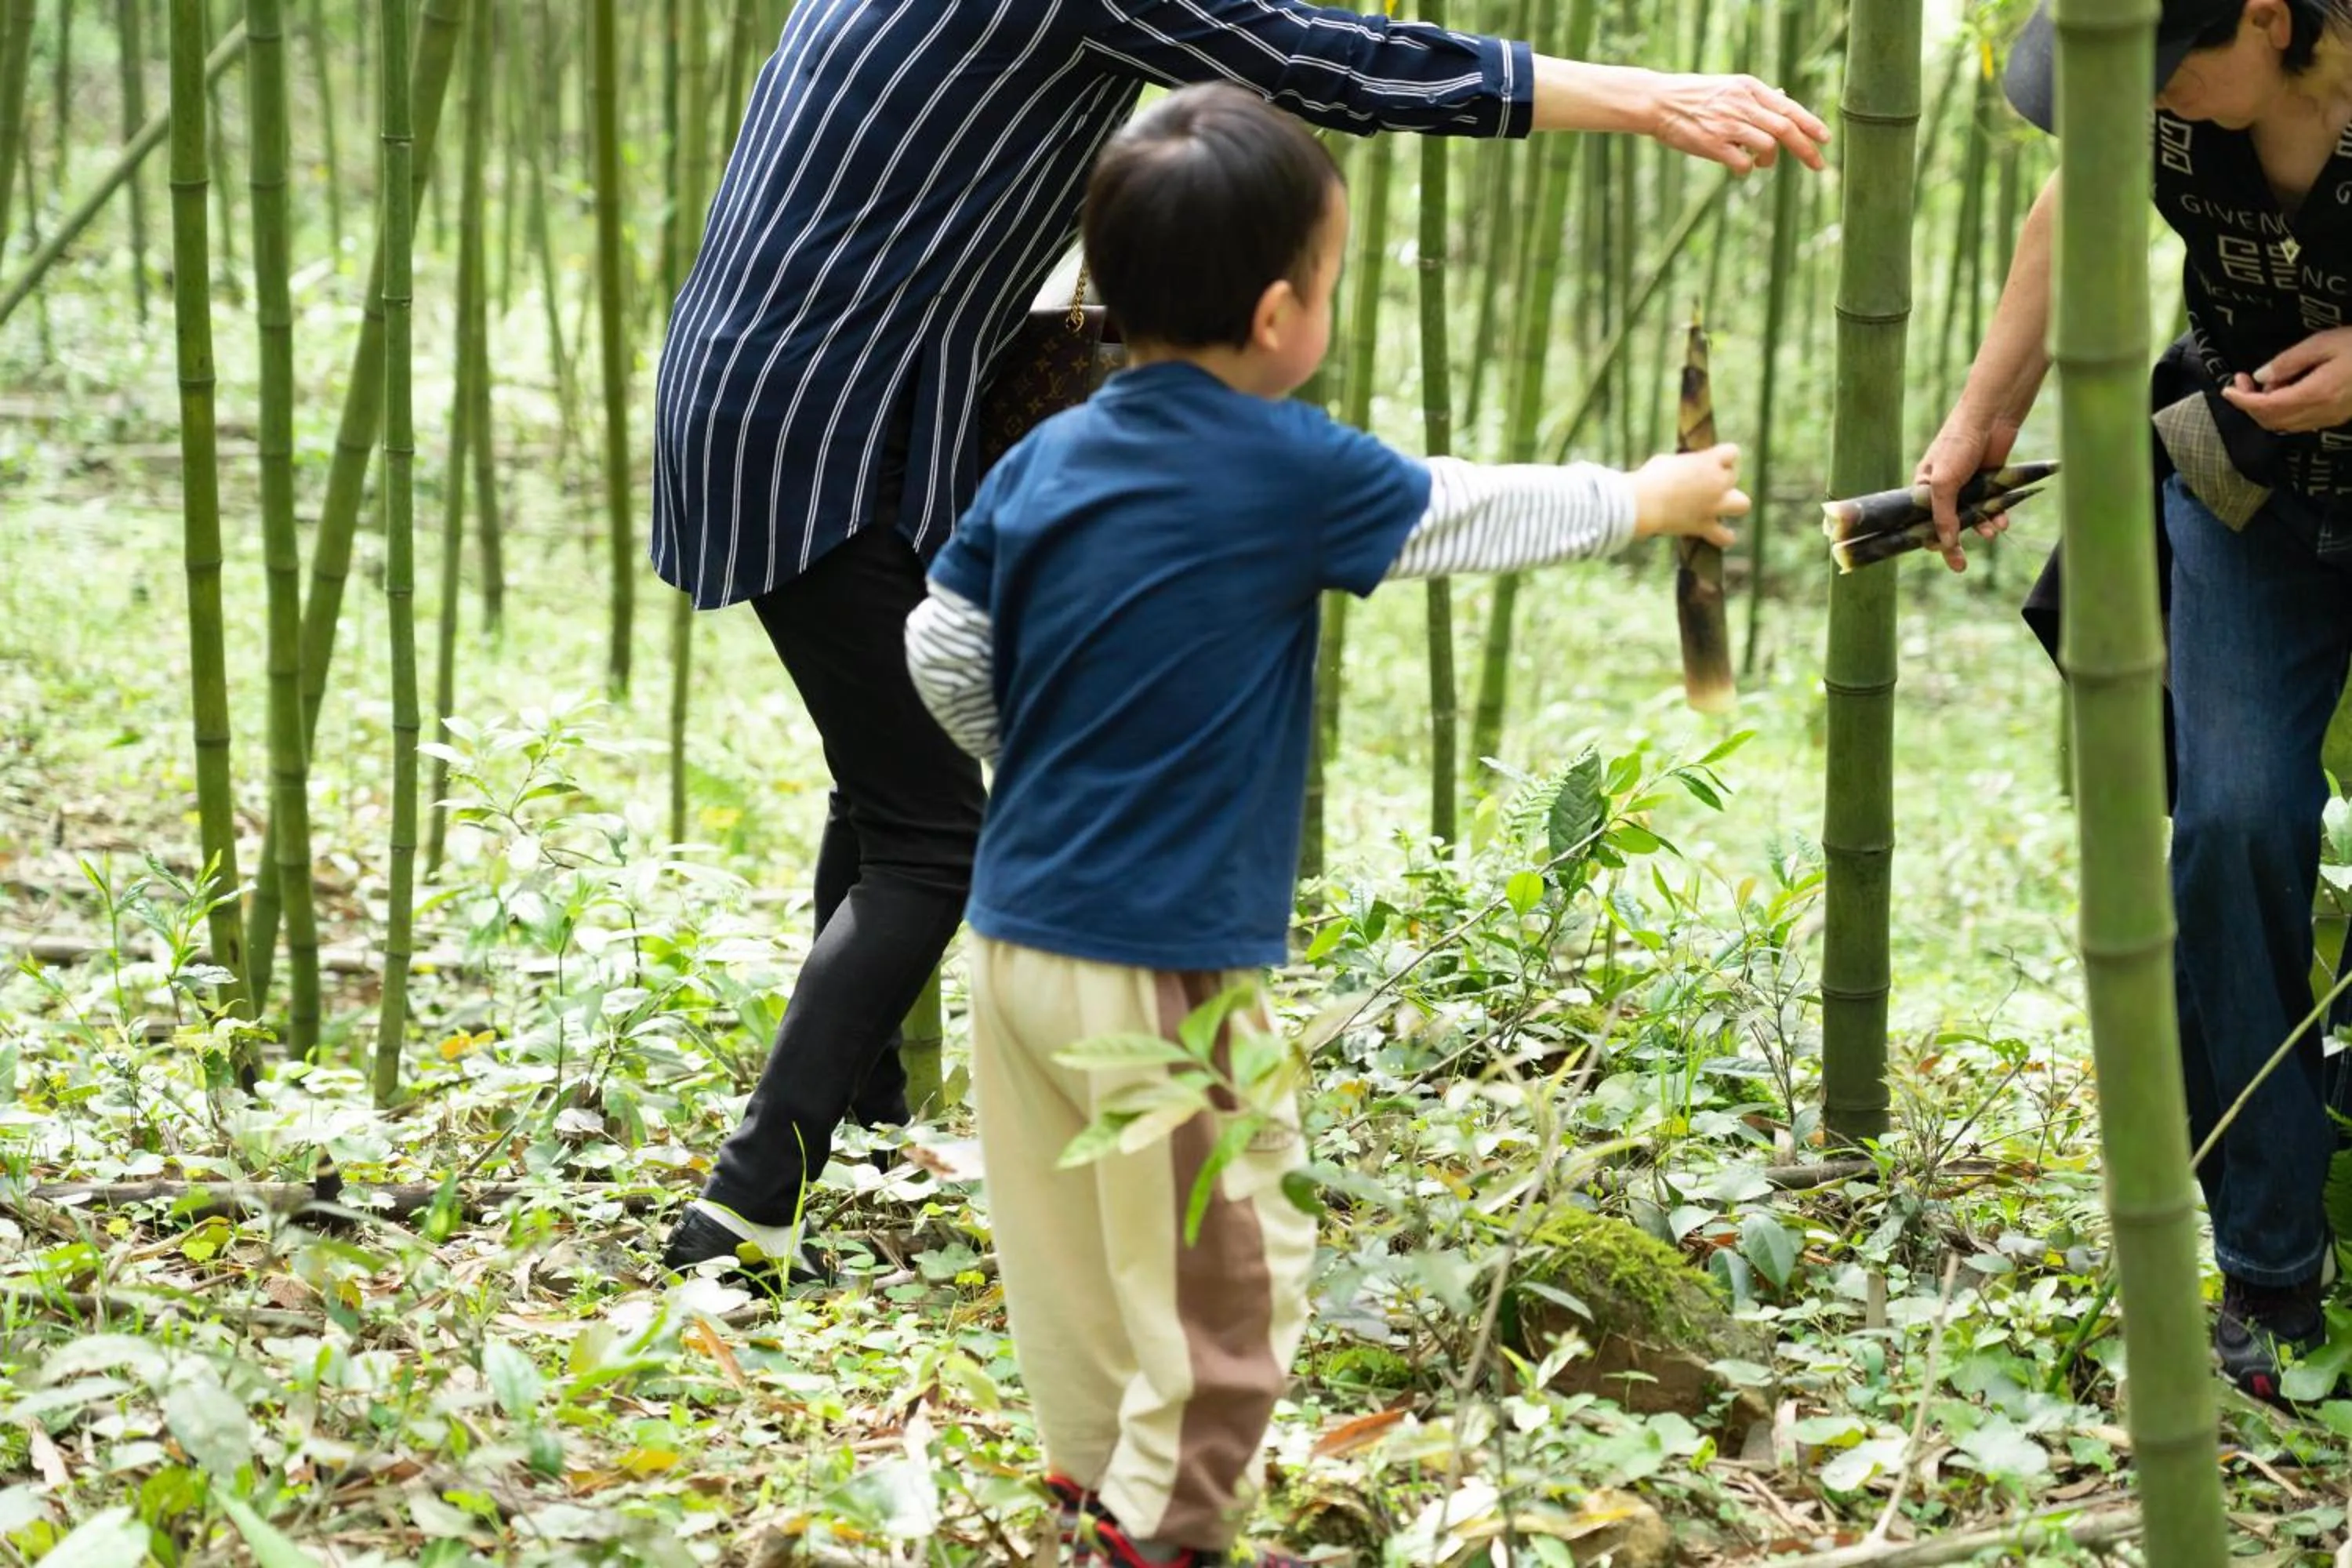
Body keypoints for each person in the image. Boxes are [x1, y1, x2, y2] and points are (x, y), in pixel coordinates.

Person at [651, 0, 1829, 1282]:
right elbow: (1319, 60)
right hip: (828, 416)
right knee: (931, 838)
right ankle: (744, 1211)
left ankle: (860, 1131)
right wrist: (1647, 97)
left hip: (776, 383)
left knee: (893, 790)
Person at [902, 83, 1749, 1568]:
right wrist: (1646, 497)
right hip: (1158, 967)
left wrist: (1038, 758)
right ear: (1282, 313)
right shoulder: (1285, 466)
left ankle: (1102, 1497)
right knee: (1234, 1266)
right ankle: (1164, 1539)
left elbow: (941, 644)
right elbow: (1461, 511)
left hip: (1014, 945)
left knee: (1077, 1255)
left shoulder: (1046, 457)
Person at [1926, 0, 2352, 1405]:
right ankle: (2272, 1269)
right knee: (2230, 823)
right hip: (2247, 492)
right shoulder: (2166, 112)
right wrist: (1982, 413)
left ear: (2271, 19)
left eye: (2169, 67)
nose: (2153, 100)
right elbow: (2073, 208)